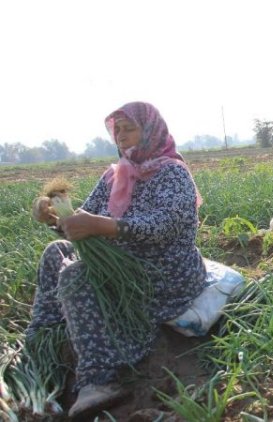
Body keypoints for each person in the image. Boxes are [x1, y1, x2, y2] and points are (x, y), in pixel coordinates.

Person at [29, 102, 208, 418]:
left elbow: (162, 226)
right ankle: (44, 336)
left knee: (77, 275)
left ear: (150, 130)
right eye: (118, 130)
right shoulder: (116, 174)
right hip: (125, 258)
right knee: (55, 252)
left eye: (130, 129)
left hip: (164, 271)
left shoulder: (172, 173)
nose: (122, 137)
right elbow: (84, 221)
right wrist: (56, 218)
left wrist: (102, 225)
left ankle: (100, 379)